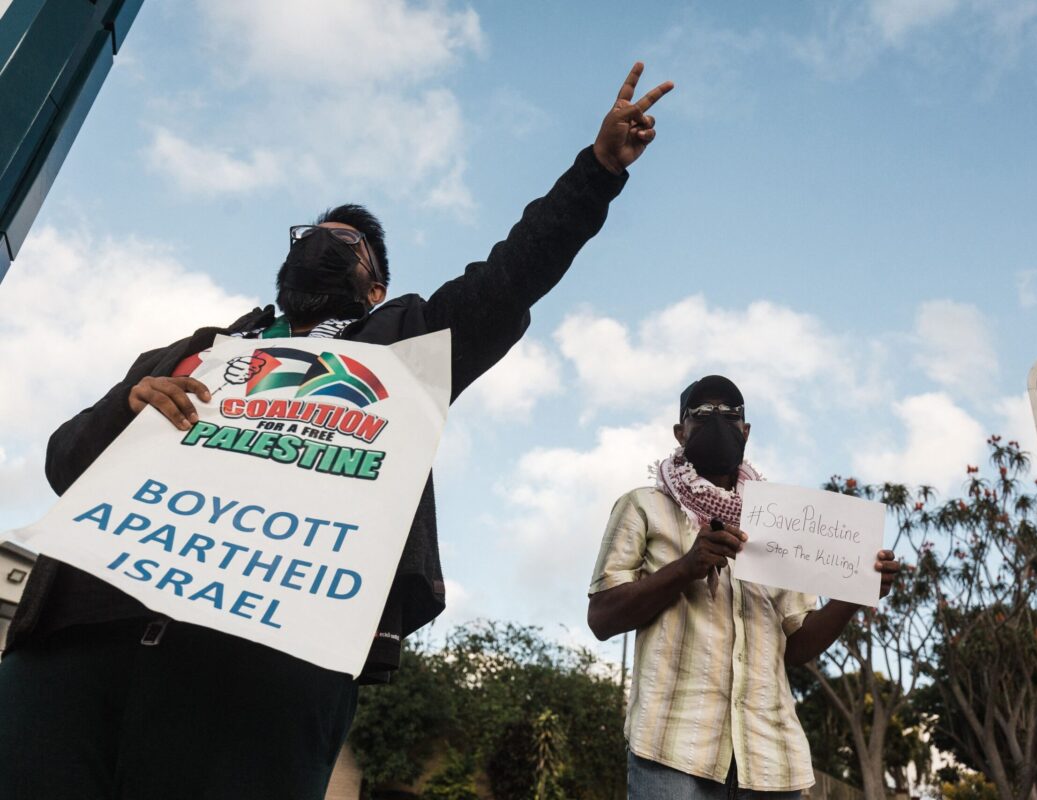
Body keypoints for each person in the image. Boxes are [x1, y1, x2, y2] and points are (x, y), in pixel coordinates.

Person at [0, 63, 673, 800]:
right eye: (314, 236)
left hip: (265, 666)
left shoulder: (405, 346)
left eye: (348, 244)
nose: (326, 245)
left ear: (376, 285)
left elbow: (512, 275)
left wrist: (598, 171)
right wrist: (126, 413)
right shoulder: (196, 349)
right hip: (77, 644)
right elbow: (66, 463)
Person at [587, 375, 902, 799]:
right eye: (701, 415)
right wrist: (686, 568)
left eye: (731, 414)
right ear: (680, 432)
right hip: (672, 749)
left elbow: (797, 645)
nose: (717, 421)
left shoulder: (781, 520)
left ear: (746, 431)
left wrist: (854, 592)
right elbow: (602, 617)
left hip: (771, 760)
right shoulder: (643, 505)